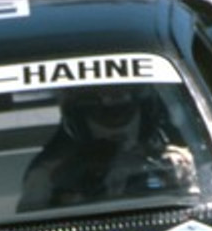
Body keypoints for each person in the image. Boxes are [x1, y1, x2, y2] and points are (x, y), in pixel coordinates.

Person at [17, 85, 198, 212]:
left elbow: (203, 211)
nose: (115, 121)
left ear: (145, 111)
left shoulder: (176, 164)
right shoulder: (47, 178)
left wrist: (176, 176)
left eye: (124, 111)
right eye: (102, 114)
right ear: (79, 120)